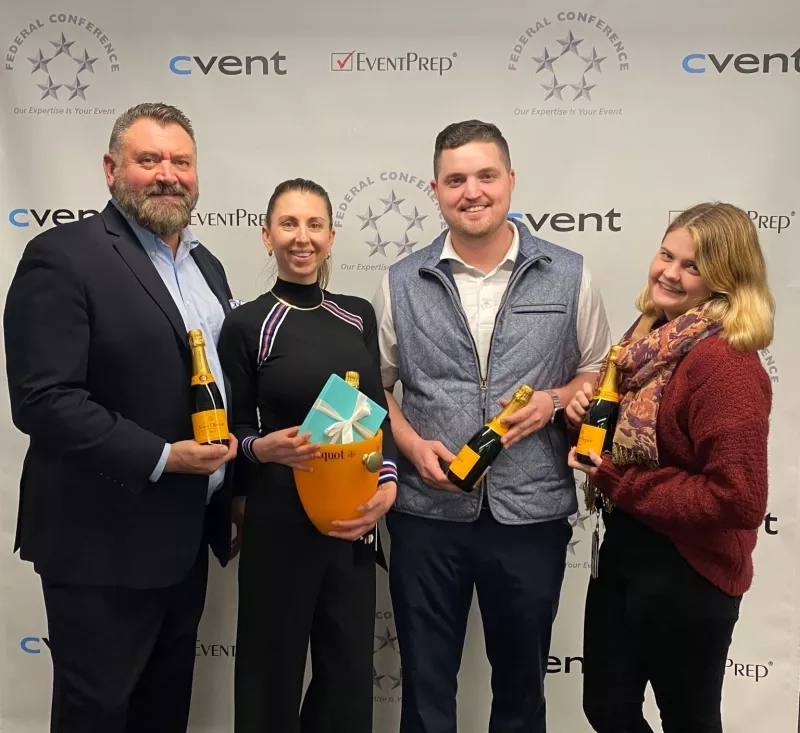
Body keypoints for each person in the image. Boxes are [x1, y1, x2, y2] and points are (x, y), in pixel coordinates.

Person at [3, 102, 239, 732]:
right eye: (149, 159)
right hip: (101, 541)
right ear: (111, 169)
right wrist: (164, 457)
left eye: (181, 161)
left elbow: (215, 388)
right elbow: (43, 398)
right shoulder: (62, 255)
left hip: (185, 538)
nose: (168, 174)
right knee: (97, 715)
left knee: (165, 713)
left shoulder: (206, 266)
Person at [371, 119, 612, 733]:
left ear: (510, 180)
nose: (471, 191)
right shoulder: (400, 281)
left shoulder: (570, 272)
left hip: (530, 515)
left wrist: (556, 400)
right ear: (435, 188)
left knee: (522, 691)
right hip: (427, 515)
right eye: (456, 179)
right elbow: (377, 386)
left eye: (485, 176)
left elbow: (598, 372)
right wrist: (409, 443)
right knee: (426, 692)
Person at [567, 202, 775, 733]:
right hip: (626, 551)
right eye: (667, 254)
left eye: (693, 267)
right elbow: (633, 442)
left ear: (725, 281)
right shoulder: (647, 339)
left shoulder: (724, 362)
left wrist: (614, 478)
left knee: (689, 720)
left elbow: (739, 498)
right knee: (607, 708)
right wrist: (580, 422)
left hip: (690, 571)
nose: (670, 272)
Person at [217, 177, 398, 733]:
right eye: (289, 224)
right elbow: (232, 427)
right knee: (270, 672)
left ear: (332, 235)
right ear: (267, 236)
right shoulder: (248, 323)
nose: (303, 237)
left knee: (346, 676)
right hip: (279, 517)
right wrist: (259, 449)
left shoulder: (357, 314)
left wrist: (387, 483)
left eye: (314, 224)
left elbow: (373, 412)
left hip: (352, 518)